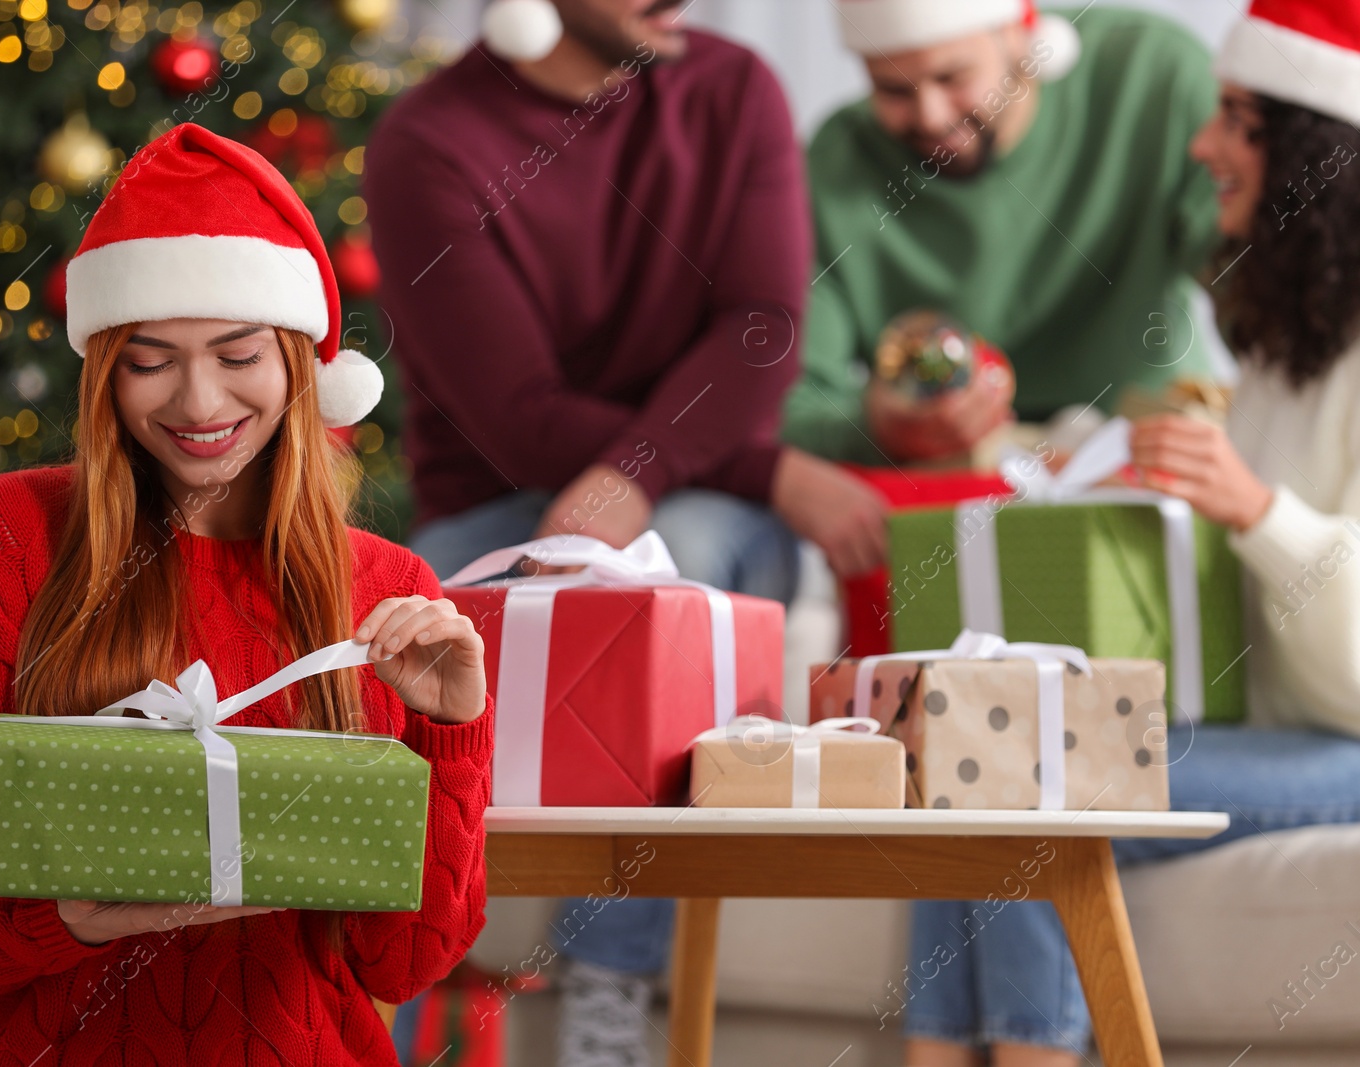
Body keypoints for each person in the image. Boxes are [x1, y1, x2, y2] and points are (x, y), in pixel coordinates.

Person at [0, 122, 494, 1066]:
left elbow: (405, 961)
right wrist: (70, 919)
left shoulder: (387, 592)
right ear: (104, 369)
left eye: (238, 355)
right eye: (150, 360)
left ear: (301, 365)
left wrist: (453, 729)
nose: (197, 402)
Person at [364, 1, 885, 1063]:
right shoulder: (427, 141)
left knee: (670, 566)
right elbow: (513, 405)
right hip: (504, 495)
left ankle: (608, 982)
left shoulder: (729, 87)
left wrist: (639, 478)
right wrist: (769, 469)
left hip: (696, 504)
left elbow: (759, 328)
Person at [902, 2, 1360, 1062]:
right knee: (963, 759)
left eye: (1236, 119)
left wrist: (1256, 510)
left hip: (1341, 746)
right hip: (1263, 729)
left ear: (1312, 152)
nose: (1202, 146)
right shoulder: (1283, 351)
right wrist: (1075, 460)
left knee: (1023, 783)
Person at [783, 0, 1222, 468]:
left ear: (1019, 33)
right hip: (955, 488)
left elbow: (1260, 282)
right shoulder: (836, 167)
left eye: (952, 77)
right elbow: (792, 403)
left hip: (1151, 455)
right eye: (892, 89)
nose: (930, 116)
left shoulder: (1154, 77)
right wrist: (878, 426)